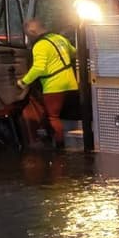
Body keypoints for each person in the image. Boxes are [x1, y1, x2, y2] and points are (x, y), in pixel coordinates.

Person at [16, 18, 79, 149]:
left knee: (53, 117)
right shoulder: (60, 38)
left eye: (27, 35)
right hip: (72, 84)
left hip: (54, 86)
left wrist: (23, 82)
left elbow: (39, 68)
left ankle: (59, 147)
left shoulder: (40, 45)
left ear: (32, 31)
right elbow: (74, 53)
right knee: (63, 114)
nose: (28, 38)